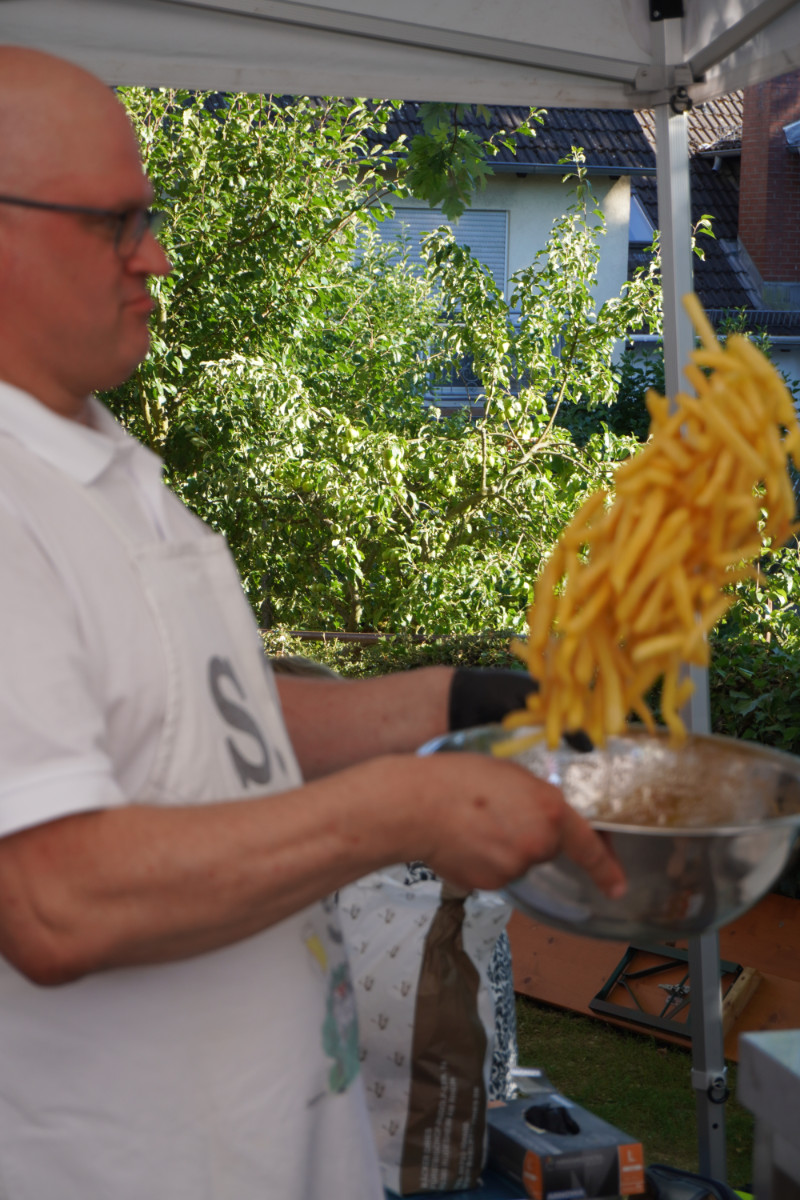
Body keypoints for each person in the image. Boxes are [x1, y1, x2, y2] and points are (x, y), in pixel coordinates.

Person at [0, 45, 625, 1200]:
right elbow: (51, 897)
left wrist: (452, 704)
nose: (158, 255)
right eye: (116, 222)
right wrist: (402, 806)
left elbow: (192, 709)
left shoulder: (96, 446)